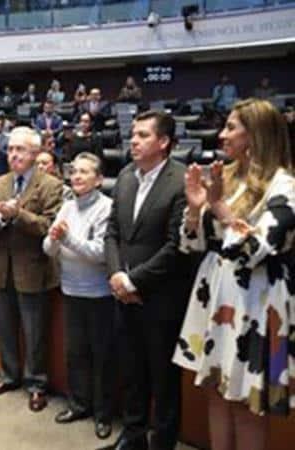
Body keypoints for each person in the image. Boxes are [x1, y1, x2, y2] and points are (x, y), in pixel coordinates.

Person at [173, 99, 295, 450]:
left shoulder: (283, 185)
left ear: (254, 135)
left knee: (244, 402)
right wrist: (195, 212)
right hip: (215, 292)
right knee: (215, 392)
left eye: (231, 127)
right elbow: (192, 245)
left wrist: (220, 209)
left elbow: (260, 247)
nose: (221, 134)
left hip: (254, 300)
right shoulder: (224, 176)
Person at [104, 110, 193, 450]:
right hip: (123, 295)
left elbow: (177, 247)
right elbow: (112, 232)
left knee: (164, 381)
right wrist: (116, 275)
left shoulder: (182, 180)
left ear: (164, 142)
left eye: (142, 135)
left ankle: (163, 443)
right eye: (134, 135)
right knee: (132, 374)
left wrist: (133, 281)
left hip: (161, 300)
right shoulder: (126, 175)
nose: (133, 141)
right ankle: (133, 437)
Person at [0, 126, 64, 413]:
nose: (13, 155)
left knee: (35, 333)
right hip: (3, 268)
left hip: (35, 270)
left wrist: (18, 215)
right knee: (5, 329)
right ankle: (9, 376)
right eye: (11, 149)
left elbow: (49, 227)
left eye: (20, 150)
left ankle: (37, 384)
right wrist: (2, 220)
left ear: (35, 153)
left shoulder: (50, 185)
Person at [42, 152, 114, 440]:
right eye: (74, 171)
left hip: (99, 294)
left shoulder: (106, 208)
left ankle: (103, 414)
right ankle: (79, 405)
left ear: (98, 179)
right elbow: (48, 249)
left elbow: (100, 254)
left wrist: (66, 238)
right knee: (75, 354)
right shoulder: (67, 206)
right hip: (70, 290)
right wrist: (55, 238)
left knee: (102, 357)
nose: (77, 176)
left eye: (85, 172)